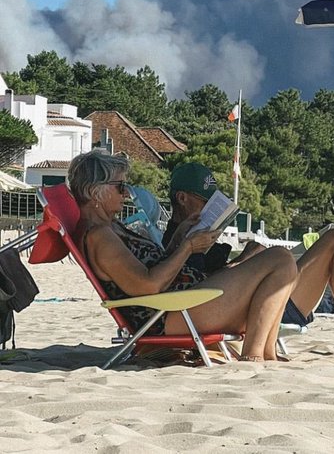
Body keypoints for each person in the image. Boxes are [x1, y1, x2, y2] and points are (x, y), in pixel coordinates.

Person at [165, 162, 334, 356]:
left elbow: (223, 276)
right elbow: (204, 290)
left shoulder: (196, 239)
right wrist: (242, 262)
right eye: (204, 201)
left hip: (260, 297)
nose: (209, 207)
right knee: (333, 242)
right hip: (254, 307)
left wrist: (245, 257)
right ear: (182, 198)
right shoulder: (175, 243)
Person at [68, 149, 297, 362]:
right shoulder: (100, 237)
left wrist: (178, 238)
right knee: (279, 259)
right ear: (93, 191)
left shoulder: (111, 227)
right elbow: (148, 285)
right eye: (119, 186)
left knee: (278, 260)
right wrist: (187, 247)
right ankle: (254, 354)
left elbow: (149, 269)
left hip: (182, 303)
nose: (126, 192)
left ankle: (266, 352)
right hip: (171, 315)